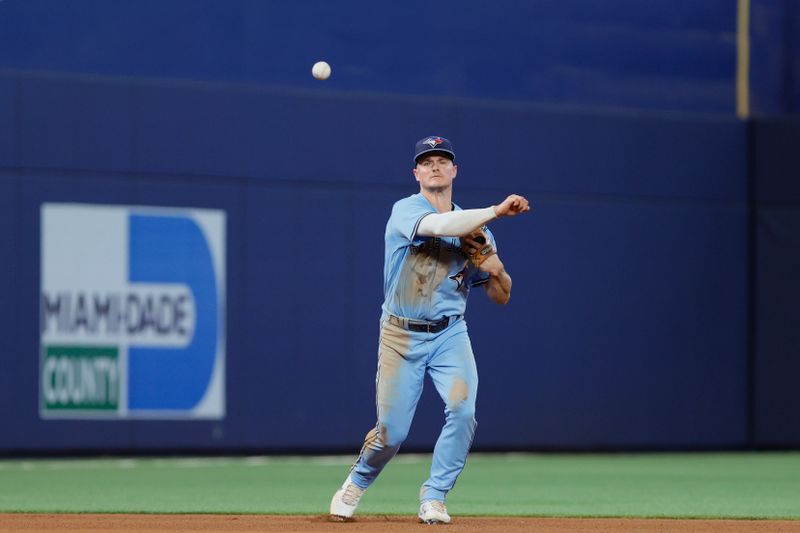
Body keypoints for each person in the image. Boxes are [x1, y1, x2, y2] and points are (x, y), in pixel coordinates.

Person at [329, 135, 530, 524]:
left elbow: (500, 296)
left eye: (443, 160)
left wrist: (496, 270)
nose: (435, 166)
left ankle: (435, 496)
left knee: (463, 409)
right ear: (416, 173)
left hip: (449, 334)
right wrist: (494, 211)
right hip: (400, 335)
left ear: (455, 170)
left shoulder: (477, 230)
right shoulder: (406, 210)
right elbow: (438, 225)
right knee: (392, 432)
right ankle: (356, 481)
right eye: (427, 161)